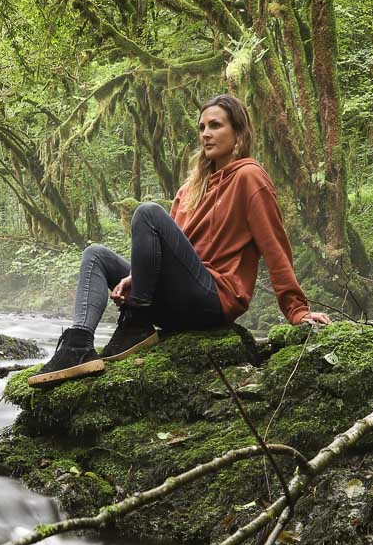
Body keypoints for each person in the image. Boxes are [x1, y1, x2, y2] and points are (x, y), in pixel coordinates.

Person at [30, 93, 331, 387]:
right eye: (202, 128)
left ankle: (135, 322)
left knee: (147, 212)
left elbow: (274, 245)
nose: (206, 134)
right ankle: (77, 347)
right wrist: (135, 277)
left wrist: (297, 310)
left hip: (213, 299)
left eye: (216, 126)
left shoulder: (249, 177)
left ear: (238, 133)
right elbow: (169, 253)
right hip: (177, 300)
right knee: (95, 254)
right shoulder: (190, 189)